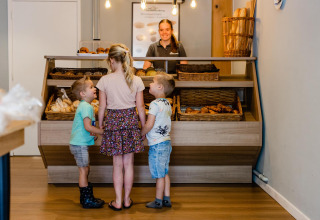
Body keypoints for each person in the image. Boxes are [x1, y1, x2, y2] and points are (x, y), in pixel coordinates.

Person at [97, 43, 146, 211]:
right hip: (131, 122)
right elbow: (140, 107)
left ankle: (117, 201)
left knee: (117, 164)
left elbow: (102, 107)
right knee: (129, 164)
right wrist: (144, 128)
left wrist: (101, 123)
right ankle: (127, 200)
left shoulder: (104, 80)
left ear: (111, 60)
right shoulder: (137, 80)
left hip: (113, 122)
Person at [69, 76, 105, 209]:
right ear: (82, 93)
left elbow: (87, 128)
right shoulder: (86, 107)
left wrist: (93, 135)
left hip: (79, 143)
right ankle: (86, 200)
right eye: (91, 87)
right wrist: (101, 132)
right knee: (83, 170)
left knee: (85, 169)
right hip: (79, 144)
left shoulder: (86, 106)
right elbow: (87, 126)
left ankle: (88, 196)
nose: (94, 88)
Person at [141, 72, 175, 209]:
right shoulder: (167, 103)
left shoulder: (154, 104)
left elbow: (149, 125)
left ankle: (158, 200)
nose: (150, 84)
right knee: (165, 172)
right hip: (166, 142)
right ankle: (167, 198)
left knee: (159, 175)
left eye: (153, 82)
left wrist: (140, 134)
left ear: (160, 87)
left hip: (157, 144)